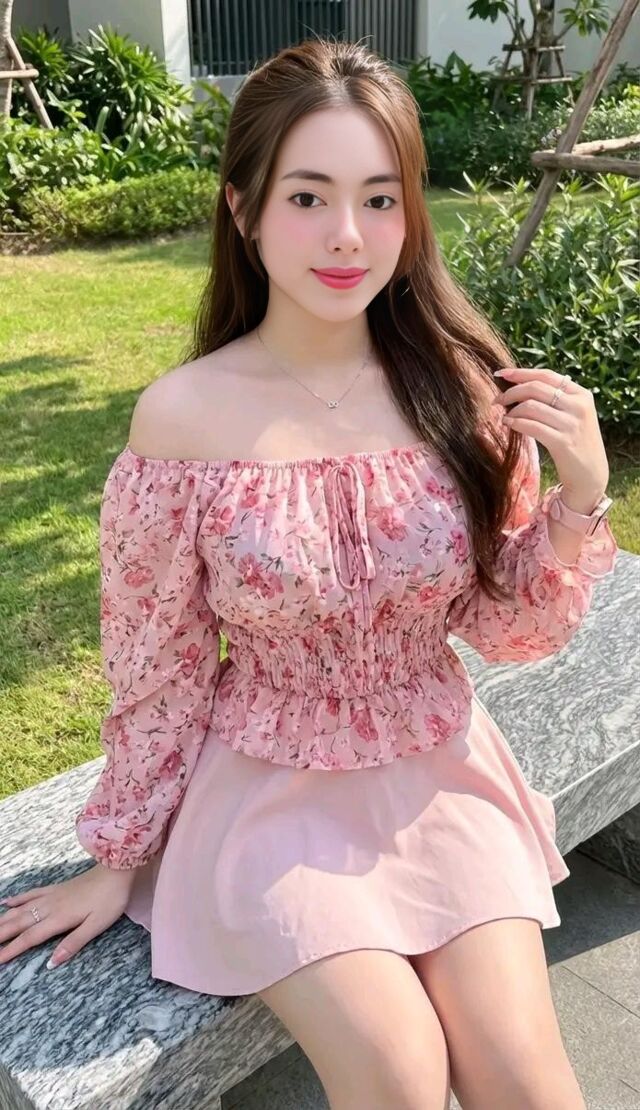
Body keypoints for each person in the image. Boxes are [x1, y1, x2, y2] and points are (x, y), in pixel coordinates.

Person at [0, 36, 617, 1110]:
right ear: (243, 209)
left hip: (440, 769)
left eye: (380, 199)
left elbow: (508, 629)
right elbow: (157, 663)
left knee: (527, 1080)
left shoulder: (461, 389)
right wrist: (119, 852)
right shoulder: (183, 419)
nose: (347, 236)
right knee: (398, 1073)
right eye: (307, 197)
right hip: (267, 796)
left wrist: (579, 498)